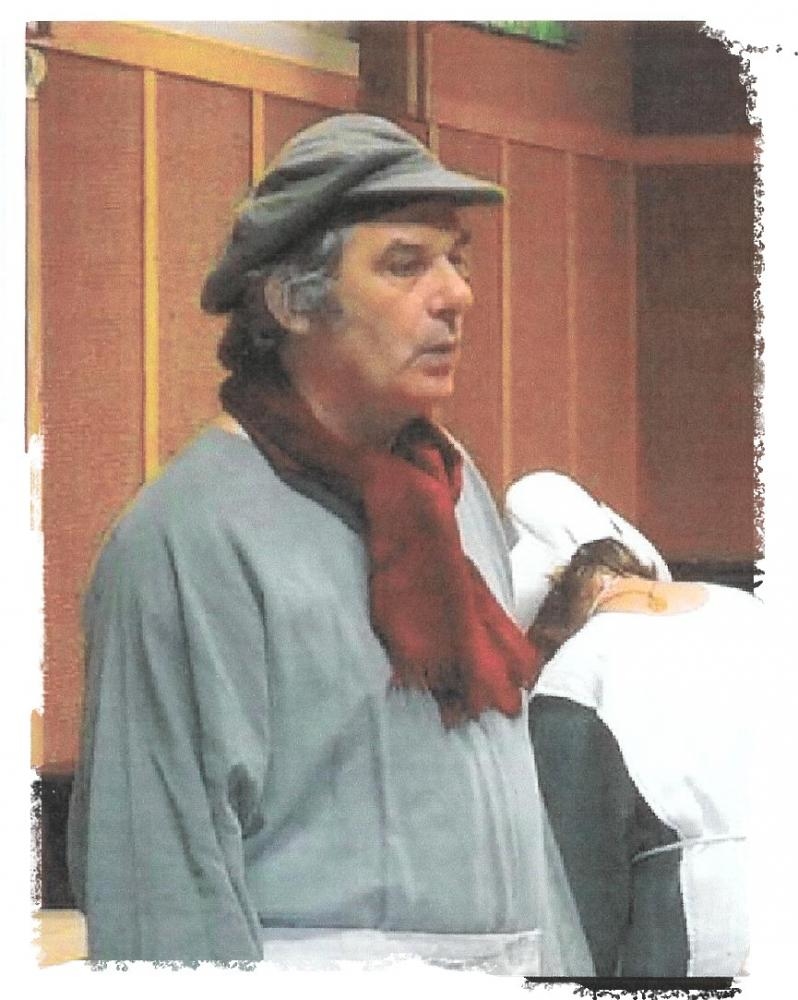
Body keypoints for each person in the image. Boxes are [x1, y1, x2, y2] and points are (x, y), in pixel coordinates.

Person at [67, 114, 590, 973]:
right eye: (405, 264)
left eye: (456, 258)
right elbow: (161, 873)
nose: (456, 294)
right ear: (292, 301)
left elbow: (518, 803)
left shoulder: (451, 494)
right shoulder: (190, 538)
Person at [507, 471, 754, 977]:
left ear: (547, 625)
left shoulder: (574, 674)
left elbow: (583, 902)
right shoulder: (750, 611)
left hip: (689, 940)